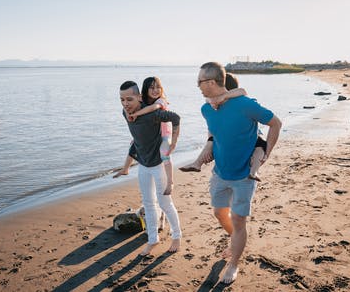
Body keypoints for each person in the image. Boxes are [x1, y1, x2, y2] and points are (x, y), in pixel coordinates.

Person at [197, 62, 281, 284]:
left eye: (200, 82)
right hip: (220, 173)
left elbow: (276, 123)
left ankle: (234, 263)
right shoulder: (206, 109)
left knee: (239, 220)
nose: (198, 86)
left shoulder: (245, 105)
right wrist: (207, 149)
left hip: (244, 176)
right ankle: (234, 239)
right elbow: (215, 134)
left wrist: (266, 154)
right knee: (218, 213)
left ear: (212, 82)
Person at [118, 80, 182, 256]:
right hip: (143, 165)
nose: (125, 104)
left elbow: (175, 118)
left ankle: (177, 236)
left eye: (129, 99)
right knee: (148, 203)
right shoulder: (125, 113)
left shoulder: (153, 114)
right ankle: (153, 239)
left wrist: (174, 141)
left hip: (159, 165)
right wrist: (127, 166)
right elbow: (137, 138)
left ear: (139, 97)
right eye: (122, 100)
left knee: (164, 203)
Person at [180, 73, 267, 182]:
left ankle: (253, 171)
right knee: (211, 142)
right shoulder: (215, 104)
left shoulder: (240, 99)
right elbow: (211, 126)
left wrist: (221, 97)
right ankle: (198, 163)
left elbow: (242, 91)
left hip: (248, 135)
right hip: (225, 137)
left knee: (261, 145)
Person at [114, 77, 175, 195]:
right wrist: (127, 111)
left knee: (164, 150)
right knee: (134, 144)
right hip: (154, 131)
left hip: (165, 131)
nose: (155, 90)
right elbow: (130, 105)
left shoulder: (160, 101)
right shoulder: (145, 102)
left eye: (158, 87)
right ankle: (126, 169)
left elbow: (152, 109)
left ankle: (170, 181)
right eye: (151, 88)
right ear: (145, 91)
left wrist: (136, 113)